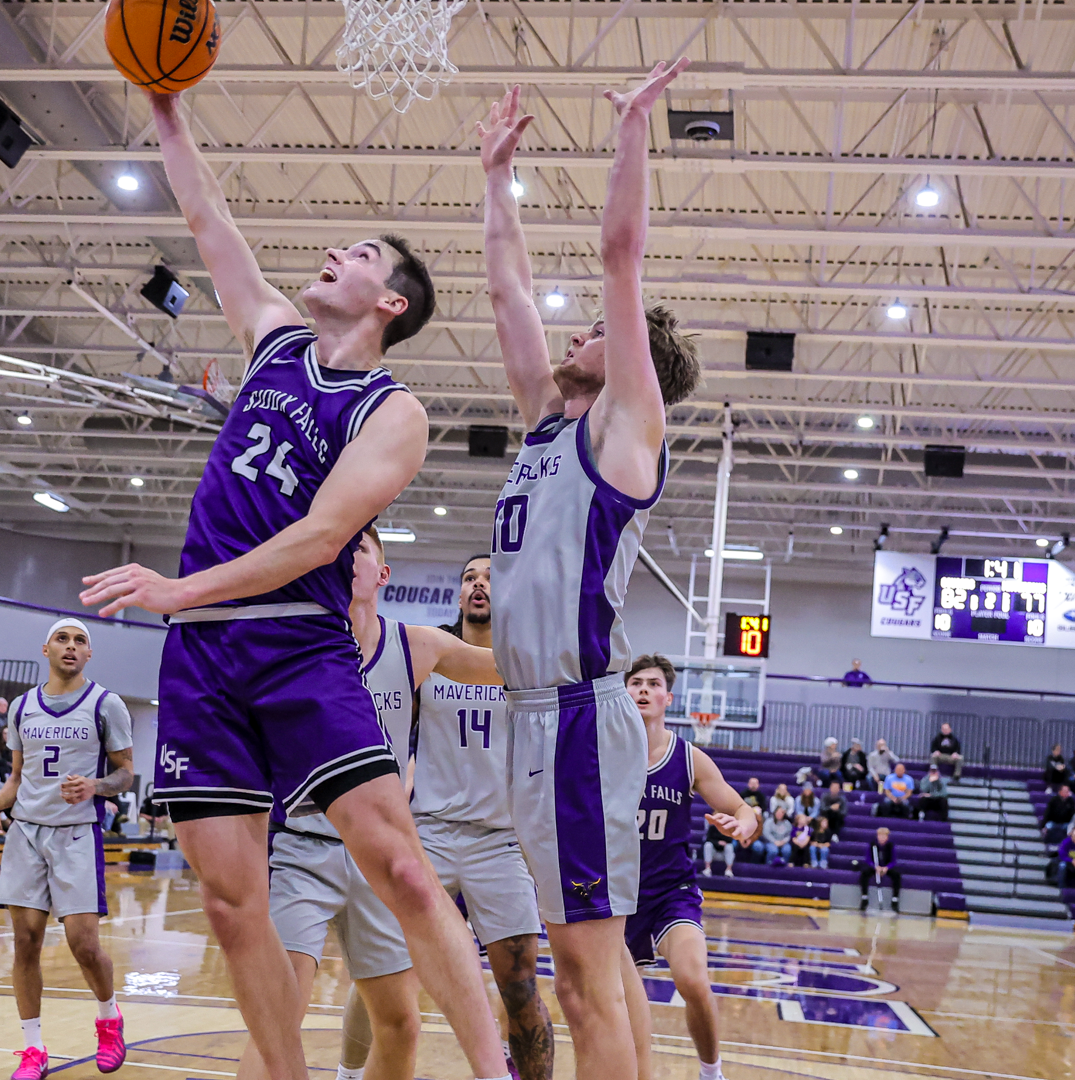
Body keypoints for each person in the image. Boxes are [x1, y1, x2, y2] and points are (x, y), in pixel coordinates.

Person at [73, 69, 507, 1080]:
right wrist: (168, 112)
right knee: (231, 906)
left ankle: (496, 1074)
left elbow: (319, 537)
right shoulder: (270, 339)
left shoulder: (393, 410)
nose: (332, 253)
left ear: (390, 300)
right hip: (204, 662)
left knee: (398, 861)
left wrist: (181, 590)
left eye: (358, 253)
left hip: (299, 645)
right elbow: (205, 215)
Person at [469, 66, 703, 1080]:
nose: (571, 333)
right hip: (525, 719)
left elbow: (620, 253)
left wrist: (632, 132)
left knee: (584, 981)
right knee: (574, 976)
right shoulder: (544, 427)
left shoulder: (624, 433)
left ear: (630, 361)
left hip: (574, 718)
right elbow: (506, 288)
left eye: (594, 330)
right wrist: (495, 178)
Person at [249, 530, 512, 1080]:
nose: (348, 555)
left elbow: (508, 668)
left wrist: (579, 635)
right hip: (304, 845)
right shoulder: (291, 647)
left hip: (379, 858)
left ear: (382, 574)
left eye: (361, 548)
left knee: (400, 1026)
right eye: (339, 548)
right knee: (279, 1021)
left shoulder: (415, 645)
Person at [0, 618, 135, 1078]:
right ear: (45, 649)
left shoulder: (107, 705)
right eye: (63, 639)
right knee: (25, 941)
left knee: (83, 945)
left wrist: (96, 785)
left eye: (80, 640)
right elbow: (15, 779)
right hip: (26, 833)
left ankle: (109, 1018)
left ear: (89, 654)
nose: (71, 646)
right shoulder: (23, 706)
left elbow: (126, 772)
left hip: (76, 836)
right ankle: (33, 1049)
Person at [622, 654, 756, 1080]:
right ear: (622, 693)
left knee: (693, 979)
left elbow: (743, 807)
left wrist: (742, 823)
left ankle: (711, 1072)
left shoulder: (687, 757)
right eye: (636, 682)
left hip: (670, 892)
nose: (643, 689)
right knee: (621, 1004)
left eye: (653, 684)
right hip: (616, 895)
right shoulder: (603, 751)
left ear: (668, 697)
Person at [860, 827, 900, 904]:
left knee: (896, 875)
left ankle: (895, 898)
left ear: (887, 837)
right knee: (864, 874)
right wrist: (875, 866)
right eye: (880, 836)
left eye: (884, 836)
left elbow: (893, 861)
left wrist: (887, 868)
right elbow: (868, 859)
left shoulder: (891, 846)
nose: (882, 838)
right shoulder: (872, 845)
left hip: (886, 867)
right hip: (875, 866)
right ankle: (864, 896)